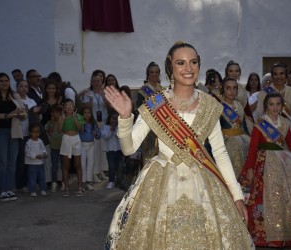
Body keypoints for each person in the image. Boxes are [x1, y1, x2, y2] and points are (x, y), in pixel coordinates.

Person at [104, 41, 253, 249]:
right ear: (170, 68)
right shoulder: (155, 103)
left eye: (193, 62)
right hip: (162, 180)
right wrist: (126, 117)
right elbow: (129, 149)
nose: (188, 68)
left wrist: (236, 196)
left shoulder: (210, 105)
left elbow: (219, 153)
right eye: (181, 63)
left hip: (202, 180)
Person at [239, 92, 291, 247]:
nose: (275, 107)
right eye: (271, 104)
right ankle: (268, 235)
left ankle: (287, 234)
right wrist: (249, 168)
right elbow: (253, 147)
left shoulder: (285, 123)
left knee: (287, 197)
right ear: (266, 106)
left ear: (282, 105)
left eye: (278, 104)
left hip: (286, 162)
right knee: (266, 195)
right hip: (264, 163)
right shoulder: (260, 124)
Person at [0, 73, 27, 201]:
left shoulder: (15, 95)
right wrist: (6, 115)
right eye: (1, 81)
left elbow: (24, 113)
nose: (4, 83)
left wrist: (20, 114)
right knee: (1, 163)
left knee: (11, 163)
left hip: (14, 132)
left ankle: (9, 189)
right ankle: (2, 190)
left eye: (6, 80)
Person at [135, 62, 165, 165]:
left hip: (162, 127)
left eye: (156, 72)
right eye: (152, 72)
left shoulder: (163, 90)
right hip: (148, 128)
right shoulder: (143, 91)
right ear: (148, 74)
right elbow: (140, 110)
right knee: (149, 155)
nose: (154, 74)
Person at [220, 77, 250, 176]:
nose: (231, 91)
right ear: (223, 89)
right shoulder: (219, 107)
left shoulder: (239, 106)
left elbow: (244, 127)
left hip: (243, 141)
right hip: (226, 144)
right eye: (228, 88)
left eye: (234, 88)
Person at [82, 74, 109, 182]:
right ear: (91, 82)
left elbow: (110, 107)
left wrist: (104, 98)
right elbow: (85, 109)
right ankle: (94, 173)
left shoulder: (105, 93)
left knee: (102, 149)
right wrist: (89, 99)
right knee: (94, 149)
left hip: (104, 122)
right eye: (94, 81)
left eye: (98, 81)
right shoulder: (88, 94)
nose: (96, 83)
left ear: (101, 81)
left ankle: (101, 170)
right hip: (93, 124)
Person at [58, 99, 85, 196]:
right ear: (64, 108)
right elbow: (59, 130)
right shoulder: (61, 117)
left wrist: (74, 118)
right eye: (67, 106)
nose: (69, 108)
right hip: (66, 139)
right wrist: (63, 119)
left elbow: (80, 128)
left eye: (71, 106)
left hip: (76, 139)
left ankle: (80, 187)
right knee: (66, 165)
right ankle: (66, 188)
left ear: (74, 107)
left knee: (78, 165)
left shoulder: (78, 116)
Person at [15, 80, 38, 192]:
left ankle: (31, 182)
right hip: (20, 134)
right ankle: (21, 184)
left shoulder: (32, 101)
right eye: (21, 86)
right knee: (21, 160)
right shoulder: (14, 101)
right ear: (17, 88)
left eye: (26, 86)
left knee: (31, 159)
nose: (24, 88)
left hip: (32, 134)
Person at [79, 106, 100, 191]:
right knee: (82, 164)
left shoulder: (93, 124)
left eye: (88, 113)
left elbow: (99, 135)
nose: (87, 115)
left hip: (91, 145)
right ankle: (82, 183)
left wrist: (96, 134)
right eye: (85, 113)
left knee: (90, 164)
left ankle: (88, 182)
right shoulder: (80, 123)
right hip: (82, 145)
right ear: (82, 114)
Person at [25, 123, 48, 197]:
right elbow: (27, 152)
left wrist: (45, 154)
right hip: (32, 164)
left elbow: (43, 148)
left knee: (42, 177)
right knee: (32, 178)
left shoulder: (40, 141)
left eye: (37, 132)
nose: (36, 134)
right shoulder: (28, 142)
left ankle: (42, 189)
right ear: (30, 133)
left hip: (41, 163)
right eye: (34, 132)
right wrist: (35, 156)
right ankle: (32, 191)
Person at [101, 112, 123, 189]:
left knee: (118, 166)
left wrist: (115, 129)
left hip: (119, 150)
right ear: (109, 119)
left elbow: (119, 136)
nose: (114, 120)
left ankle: (119, 181)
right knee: (111, 166)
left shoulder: (119, 127)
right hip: (110, 150)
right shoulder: (105, 127)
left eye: (116, 119)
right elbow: (105, 136)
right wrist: (111, 129)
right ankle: (111, 181)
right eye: (113, 118)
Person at [45, 105, 63, 192]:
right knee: (54, 166)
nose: (54, 114)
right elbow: (49, 133)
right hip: (54, 147)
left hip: (63, 147)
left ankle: (63, 182)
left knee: (63, 166)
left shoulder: (63, 121)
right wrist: (51, 123)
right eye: (52, 112)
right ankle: (54, 183)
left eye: (56, 112)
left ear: (60, 113)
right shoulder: (49, 123)